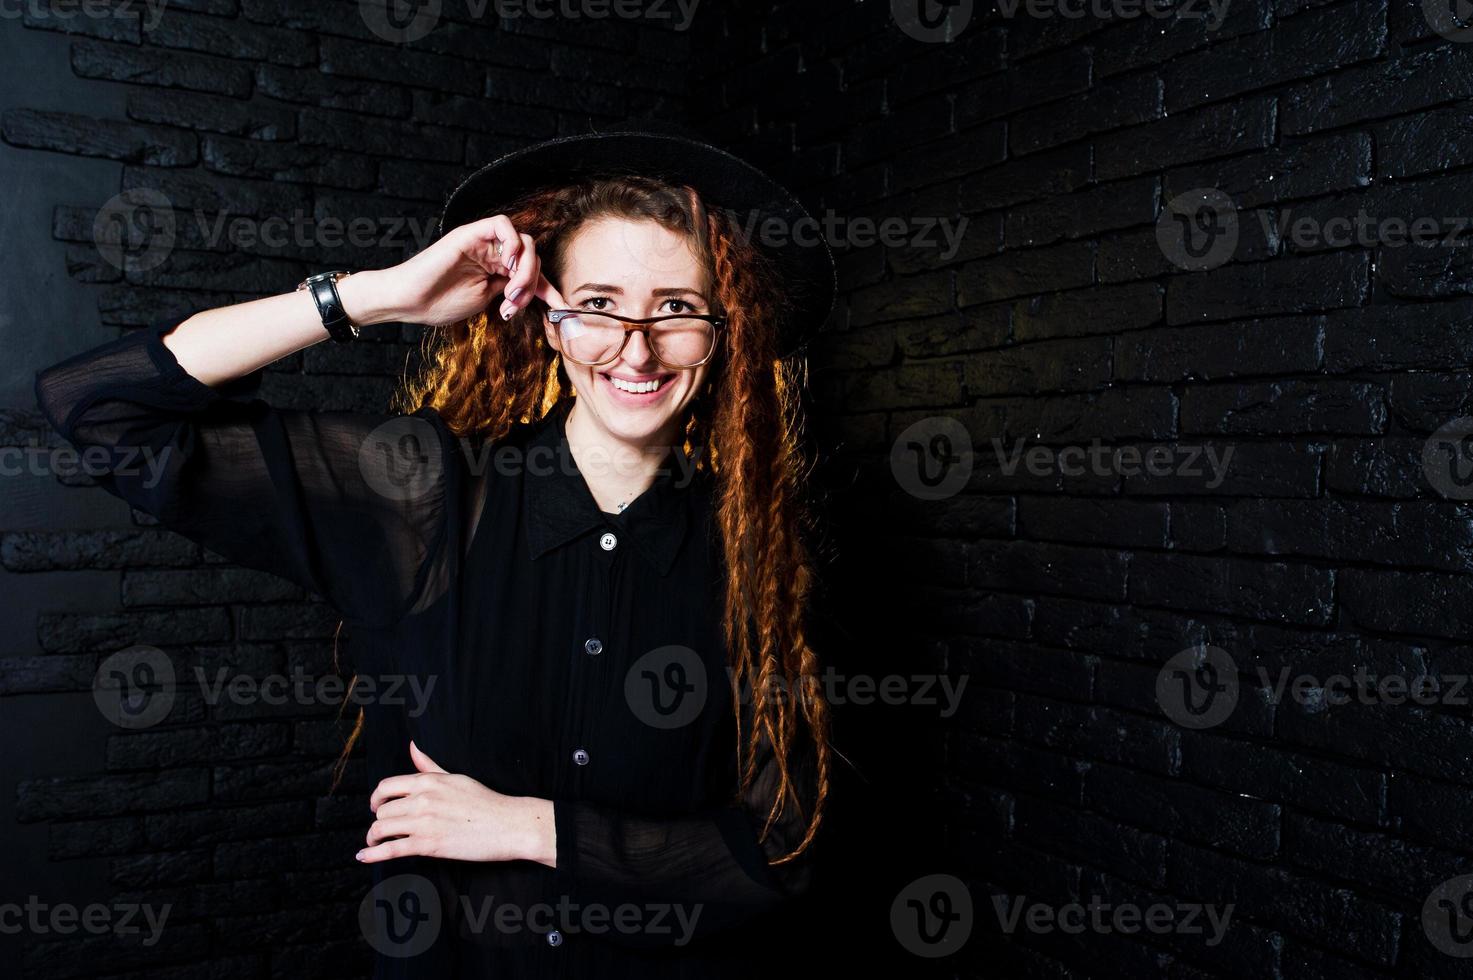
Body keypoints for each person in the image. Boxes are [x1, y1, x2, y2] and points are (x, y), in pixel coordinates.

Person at [34, 127, 838, 978]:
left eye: (675, 308)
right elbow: (99, 409)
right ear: (550, 318)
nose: (634, 347)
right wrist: (375, 299)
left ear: (721, 337)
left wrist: (531, 829)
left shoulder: (760, 560)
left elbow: (781, 854)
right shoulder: (423, 496)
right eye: (598, 303)